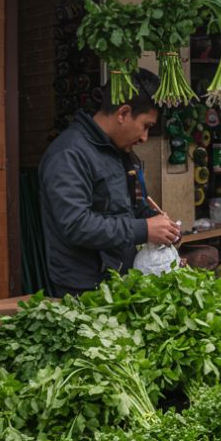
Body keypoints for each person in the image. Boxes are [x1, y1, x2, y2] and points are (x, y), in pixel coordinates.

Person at [39, 68, 180, 298]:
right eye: (146, 126)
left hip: (118, 280)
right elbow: (76, 224)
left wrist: (160, 226)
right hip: (83, 289)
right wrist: (144, 230)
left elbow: (130, 206)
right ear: (123, 113)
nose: (145, 138)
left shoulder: (119, 151)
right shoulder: (69, 154)